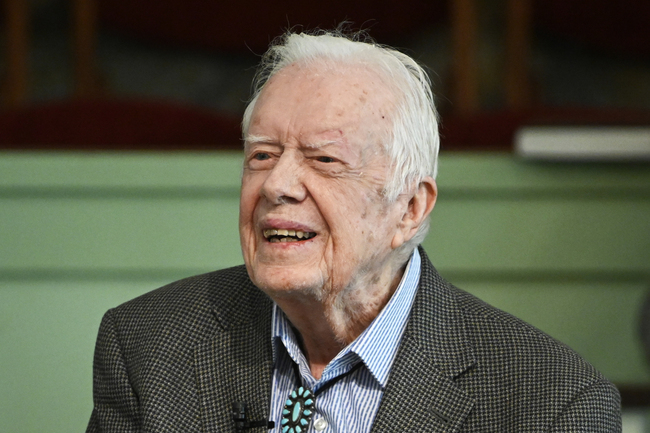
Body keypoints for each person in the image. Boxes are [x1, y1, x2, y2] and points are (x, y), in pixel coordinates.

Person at [87, 30, 621, 432]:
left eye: (323, 159)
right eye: (262, 155)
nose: (278, 184)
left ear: (410, 208)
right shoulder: (148, 347)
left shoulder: (552, 402)